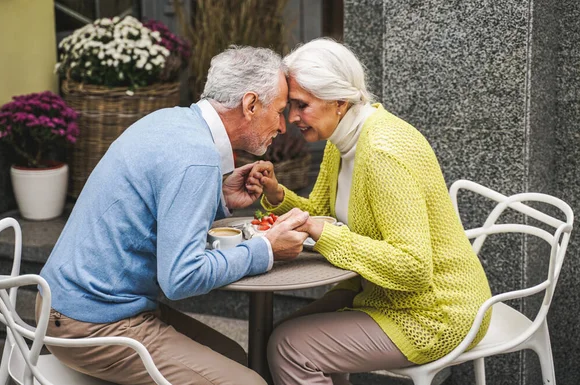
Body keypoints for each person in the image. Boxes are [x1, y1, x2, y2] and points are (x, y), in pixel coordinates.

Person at [37, 46, 310, 385]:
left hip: (67, 303)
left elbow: (155, 210)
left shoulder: (172, 121)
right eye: (281, 111)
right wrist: (266, 249)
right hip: (92, 323)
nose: (283, 126)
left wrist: (220, 196)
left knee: (236, 359)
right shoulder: (196, 157)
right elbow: (181, 278)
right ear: (250, 104)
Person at [249, 38, 492, 385]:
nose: (291, 119)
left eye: (301, 105)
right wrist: (277, 194)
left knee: (290, 348)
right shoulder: (344, 138)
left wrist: (324, 233)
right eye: (290, 106)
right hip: (378, 290)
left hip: (435, 313)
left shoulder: (381, 152)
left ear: (339, 100)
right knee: (280, 335)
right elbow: (321, 212)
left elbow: (413, 268)